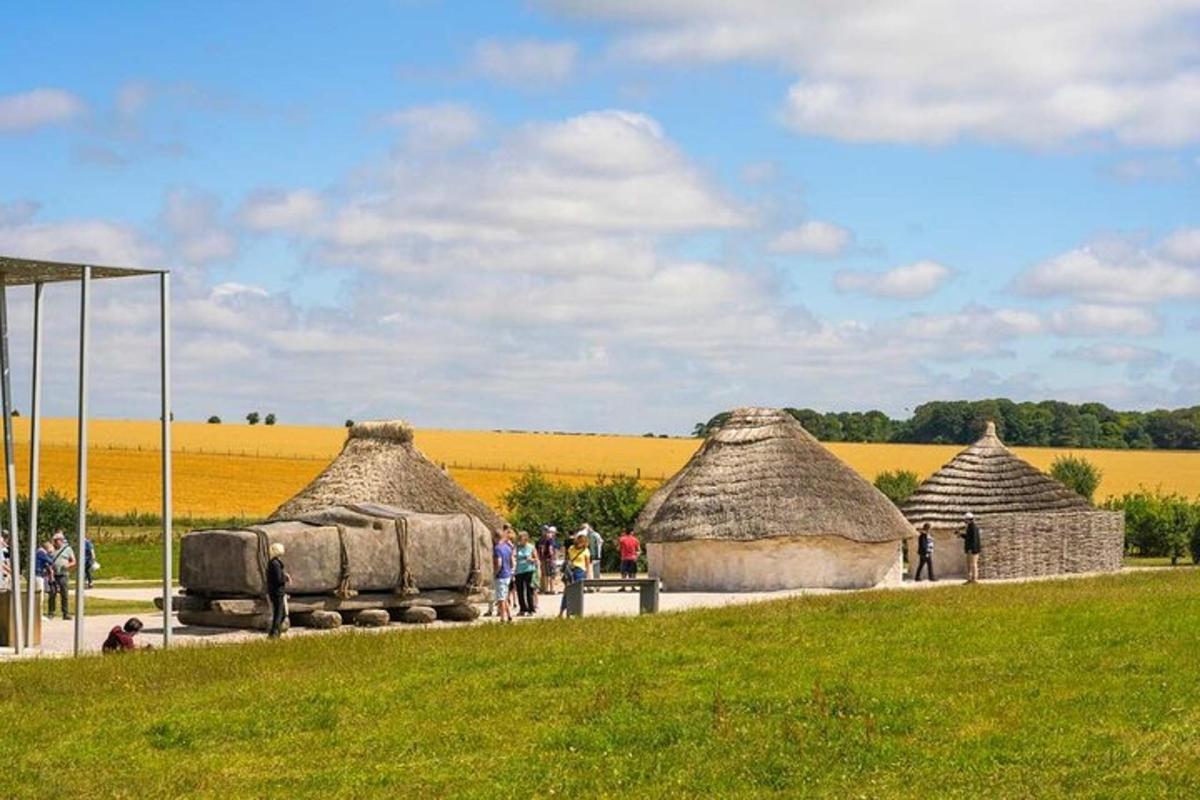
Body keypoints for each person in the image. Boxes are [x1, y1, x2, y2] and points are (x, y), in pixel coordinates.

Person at [558, 532, 591, 618]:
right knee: (567, 592)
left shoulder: (586, 551)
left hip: (580, 572)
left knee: (577, 594)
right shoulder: (571, 548)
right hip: (570, 571)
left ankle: (576, 613)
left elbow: (587, 564)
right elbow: (568, 559)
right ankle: (562, 612)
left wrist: (587, 575)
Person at [266, 542, 290, 638]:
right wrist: (286, 578)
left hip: (276, 591)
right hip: (277, 592)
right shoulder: (275, 564)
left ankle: (274, 633)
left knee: (282, 613)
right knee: (279, 613)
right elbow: (278, 579)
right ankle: (274, 634)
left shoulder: (274, 563)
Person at [49, 532, 75, 620]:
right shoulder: (51, 549)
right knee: (52, 593)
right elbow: (48, 560)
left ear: (61, 540)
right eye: (54, 541)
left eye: (56, 541)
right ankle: (51, 612)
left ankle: (65, 613)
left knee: (64, 594)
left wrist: (68, 565)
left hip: (63, 574)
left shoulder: (68, 549)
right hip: (53, 575)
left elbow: (74, 561)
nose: (55, 542)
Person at [513, 531, 539, 616]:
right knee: (520, 591)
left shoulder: (531, 547)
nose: (521, 541)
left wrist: (531, 559)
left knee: (529, 590)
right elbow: (513, 556)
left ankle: (531, 609)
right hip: (518, 571)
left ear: (526, 539)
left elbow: (536, 559)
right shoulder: (516, 547)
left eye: (522, 539)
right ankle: (522, 609)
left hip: (529, 570)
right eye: (519, 539)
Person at [492, 528, 515, 623]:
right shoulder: (507, 547)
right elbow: (512, 562)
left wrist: (495, 573)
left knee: (501, 598)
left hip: (501, 576)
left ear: (496, 537)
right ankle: (509, 615)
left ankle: (502, 618)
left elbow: (499, 563)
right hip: (508, 575)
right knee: (505, 596)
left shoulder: (497, 548)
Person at [958, 512, 982, 583]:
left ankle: (974, 579)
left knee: (973, 564)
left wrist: (971, 549)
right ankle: (970, 578)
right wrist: (961, 535)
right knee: (969, 564)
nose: (965, 521)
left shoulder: (973, 527)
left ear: (968, 519)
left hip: (973, 550)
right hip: (970, 549)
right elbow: (968, 537)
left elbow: (974, 540)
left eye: (965, 520)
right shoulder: (970, 527)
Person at [537, 526, 560, 594]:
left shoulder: (541, 540)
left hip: (543, 559)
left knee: (545, 574)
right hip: (549, 559)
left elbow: (539, 549)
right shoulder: (550, 540)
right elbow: (551, 549)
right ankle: (551, 589)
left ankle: (544, 589)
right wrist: (553, 557)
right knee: (551, 574)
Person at [35, 541, 55, 612]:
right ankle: (39, 614)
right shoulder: (41, 553)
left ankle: (38, 613)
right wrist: (51, 554)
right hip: (38, 576)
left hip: (37, 575)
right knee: (40, 596)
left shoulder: (38, 552)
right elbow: (51, 561)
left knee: (38, 595)